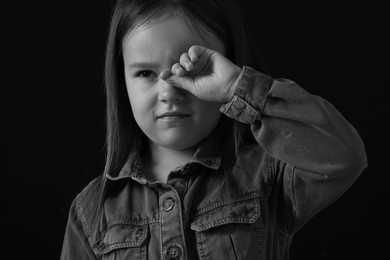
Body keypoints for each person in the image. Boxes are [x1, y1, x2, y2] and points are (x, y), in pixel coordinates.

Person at [60, 0, 367, 259]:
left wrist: (238, 86)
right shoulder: (92, 212)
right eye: (145, 73)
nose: (169, 91)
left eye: (189, 69)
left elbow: (344, 157)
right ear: (120, 80)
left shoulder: (267, 176)